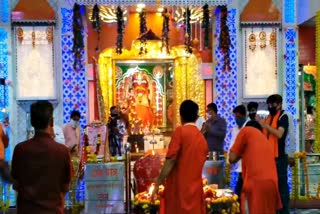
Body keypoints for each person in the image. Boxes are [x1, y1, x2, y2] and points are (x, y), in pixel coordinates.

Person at [11, 101, 72, 213]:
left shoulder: (20, 150)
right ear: (52, 122)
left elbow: (15, 185)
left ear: (32, 122)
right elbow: (66, 187)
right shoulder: (63, 151)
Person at [154, 100, 208, 214]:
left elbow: (171, 160)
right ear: (196, 116)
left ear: (181, 115)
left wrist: (158, 181)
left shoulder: (180, 132)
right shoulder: (202, 138)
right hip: (196, 190)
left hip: (179, 190)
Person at [229, 122, 282, 213]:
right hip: (272, 185)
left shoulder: (246, 130)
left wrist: (241, 151)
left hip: (256, 185)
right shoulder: (265, 140)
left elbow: (232, 158)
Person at [257, 94, 293, 214]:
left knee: (281, 186)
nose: (270, 106)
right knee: (271, 187)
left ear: (280, 104)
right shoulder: (268, 117)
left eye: (273, 104)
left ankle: (284, 211)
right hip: (268, 158)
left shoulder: (284, 116)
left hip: (280, 157)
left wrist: (265, 125)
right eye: (269, 104)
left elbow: (279, 134)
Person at [229, 105, 248, 201]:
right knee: (239, 193)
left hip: (248, 166)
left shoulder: (249, 127)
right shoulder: (235, 129)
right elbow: (232, 145)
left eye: (239, 117)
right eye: (236, 117)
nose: (237, 119)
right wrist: (230, 158)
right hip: (239, 166)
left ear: (244, 116)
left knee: (240, 193)